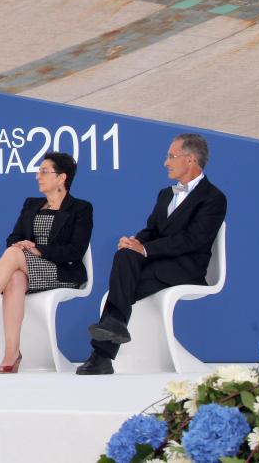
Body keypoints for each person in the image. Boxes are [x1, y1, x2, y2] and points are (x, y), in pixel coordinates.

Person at [77, 133, 226, 375]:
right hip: (159, 263)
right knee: (124, 255)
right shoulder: (166, 194)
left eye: (171, 156)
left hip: (186, 268)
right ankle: (112, 331)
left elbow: (193, 240)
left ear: (190, 159)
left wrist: (145, 249)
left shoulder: (214, 198)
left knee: (124, 287)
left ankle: (102, 354)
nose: (166, 162)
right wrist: (135, 242)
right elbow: (152, 230)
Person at [0, 152, 92, 373]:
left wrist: (38, 250)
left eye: (44, 171)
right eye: (38, 171)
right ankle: (11, 354)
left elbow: (75, 251)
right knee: (14, 276)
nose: (37, 176)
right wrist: (22, 244)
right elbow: (13, 238)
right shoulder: (31, 205)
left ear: (62, 178)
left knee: (14, 255)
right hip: (30, 268)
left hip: (62, 271)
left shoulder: (81, 208)